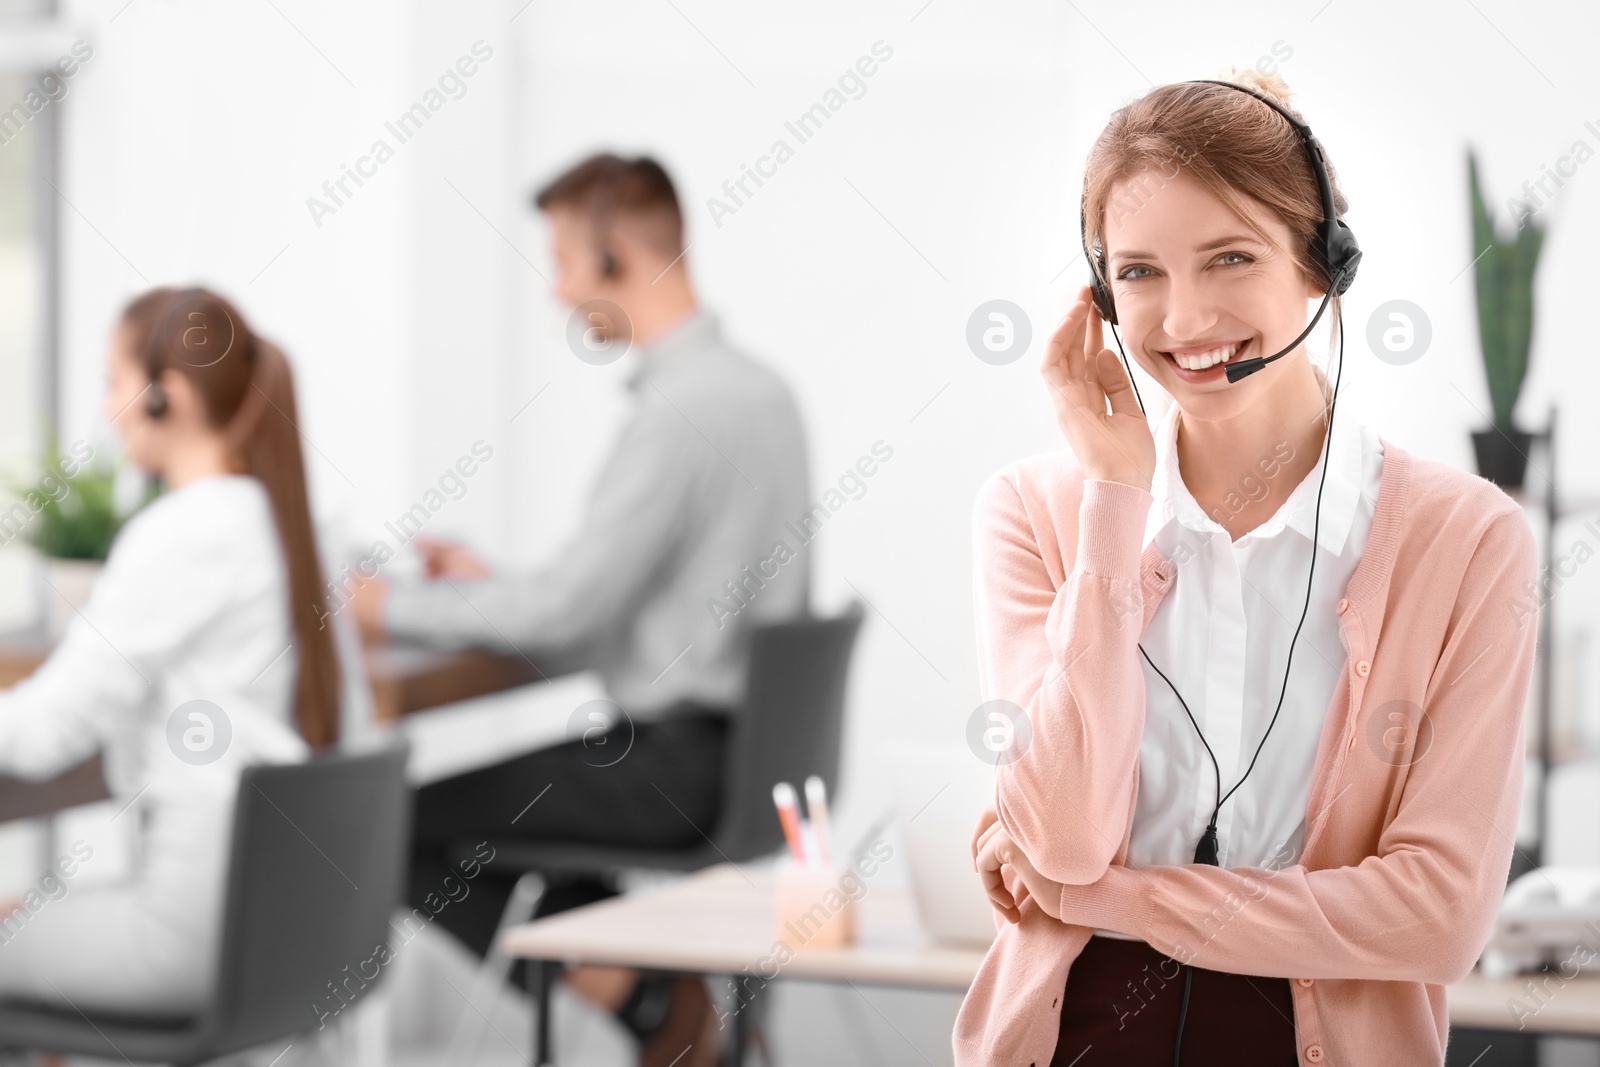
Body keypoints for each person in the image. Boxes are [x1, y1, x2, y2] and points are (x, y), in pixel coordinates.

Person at [959, 69, 1538, 1066]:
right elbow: (1057, 838)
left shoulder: (1468, 539)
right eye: (1138, 272)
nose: (1183, 319)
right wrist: (1112, 502)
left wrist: (1112, 894)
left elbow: (1436, 916)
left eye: (1229, 257)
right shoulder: (1034, 510)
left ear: (1324, 266)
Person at [350, 153, 811, 1066]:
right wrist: (493, 584)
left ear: (614, 259)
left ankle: (652, 1004)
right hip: (743, 757)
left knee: (392, 827)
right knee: (510, 823)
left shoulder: (680, 411)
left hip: (672, 766)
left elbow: (564, 614)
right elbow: (634, 596)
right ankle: (656, 991)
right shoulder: (761, 392)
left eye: (563, 261)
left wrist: (385, 604)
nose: (557, 291)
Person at [0, 287, 368, 1018]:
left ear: (169, 397)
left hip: (190, 939)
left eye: (114, 382)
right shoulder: (300, 527)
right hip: (292, 933)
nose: (107, 410)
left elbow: (43, 735)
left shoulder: (184, 531)